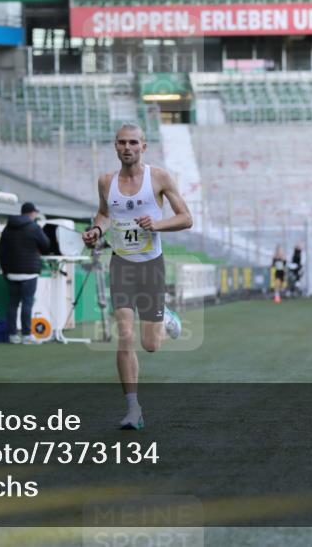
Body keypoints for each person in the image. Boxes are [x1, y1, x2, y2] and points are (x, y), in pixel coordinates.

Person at [82, 123, 193, 430]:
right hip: (121, 265)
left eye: (133, 142)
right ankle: (133, 409)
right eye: (121, 143)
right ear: (115, 147)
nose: (127, 147)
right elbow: (104, 214)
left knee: (151, 345)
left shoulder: (159, 178)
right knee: (125, 335)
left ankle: (165, 316)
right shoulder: (106, 181)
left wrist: (156, 225)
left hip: (151, 265)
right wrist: (95, 231)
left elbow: (186, 218)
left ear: (144, 147)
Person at [0, 202, 50, 344]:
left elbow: (1, 251)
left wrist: (5, 270)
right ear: (31, 213)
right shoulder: (34, 228)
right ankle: (26, 335)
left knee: (13, 304)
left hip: (11, 272)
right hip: (29, 272)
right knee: (27, 303)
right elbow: (46, 245)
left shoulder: (8, 228)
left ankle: (12, 335)